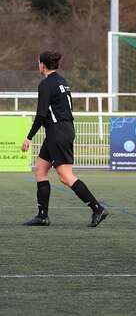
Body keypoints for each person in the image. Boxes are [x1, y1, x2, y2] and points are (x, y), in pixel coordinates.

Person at [21, 51, 109, 227]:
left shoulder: (46, 84)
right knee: (40, 171)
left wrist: (29, 137)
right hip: (63, 129)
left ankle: (97, 208)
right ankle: (42, 216)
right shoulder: (62, 81)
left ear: (42, 65)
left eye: (38, 63)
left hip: (57, 132)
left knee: (66, 177)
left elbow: (41, 114)